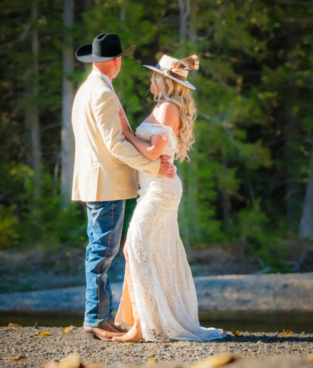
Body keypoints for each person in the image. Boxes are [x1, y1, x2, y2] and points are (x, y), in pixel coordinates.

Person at [112, 54, 225, 343]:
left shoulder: (167, 109)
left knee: (134, 247)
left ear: (163, 80)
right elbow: (152, 150)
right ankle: (144, 321)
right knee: (149, 250)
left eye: (153, 75)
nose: (150, 79)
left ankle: (143, 325)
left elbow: (151, 153)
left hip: (160, 189)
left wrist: (126, 133)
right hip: (152, 187)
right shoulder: (162, 107)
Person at [71, 33, 177, 341]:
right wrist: (154, 167)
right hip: (107, 183)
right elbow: (115, 145)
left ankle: (99, 317)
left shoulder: (89, 89)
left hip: (101, 181)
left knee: (101, 249)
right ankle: (96, 319)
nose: (121, 64)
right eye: (120, 59)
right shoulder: (101, 92)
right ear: (113, 61)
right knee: (102, 251)